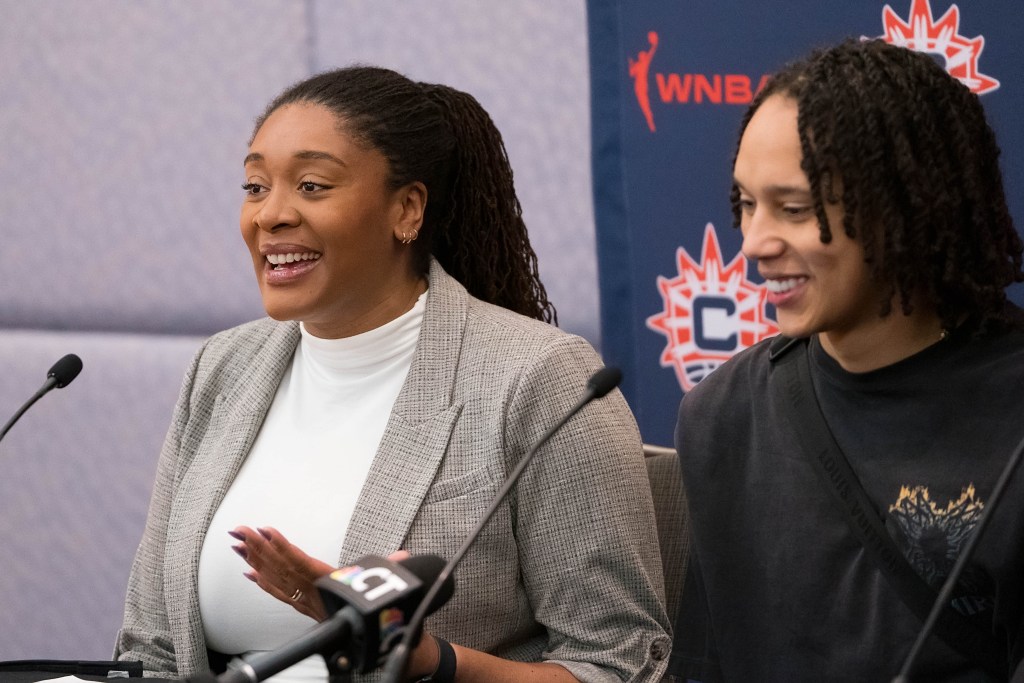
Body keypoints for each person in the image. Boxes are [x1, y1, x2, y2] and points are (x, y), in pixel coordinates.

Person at [114, 66, 672, 682]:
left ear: (406, 210)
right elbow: (151, 649)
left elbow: (618, 665)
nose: (270, 215)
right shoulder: (223, 368)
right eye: (255, 186)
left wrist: (431, 661)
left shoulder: (538, 379)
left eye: (311, 185)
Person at [667, 39, 1024, 682]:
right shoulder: (721, 416)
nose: (754, 243)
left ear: (902, 207)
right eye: (745, 204)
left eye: (795, 210)